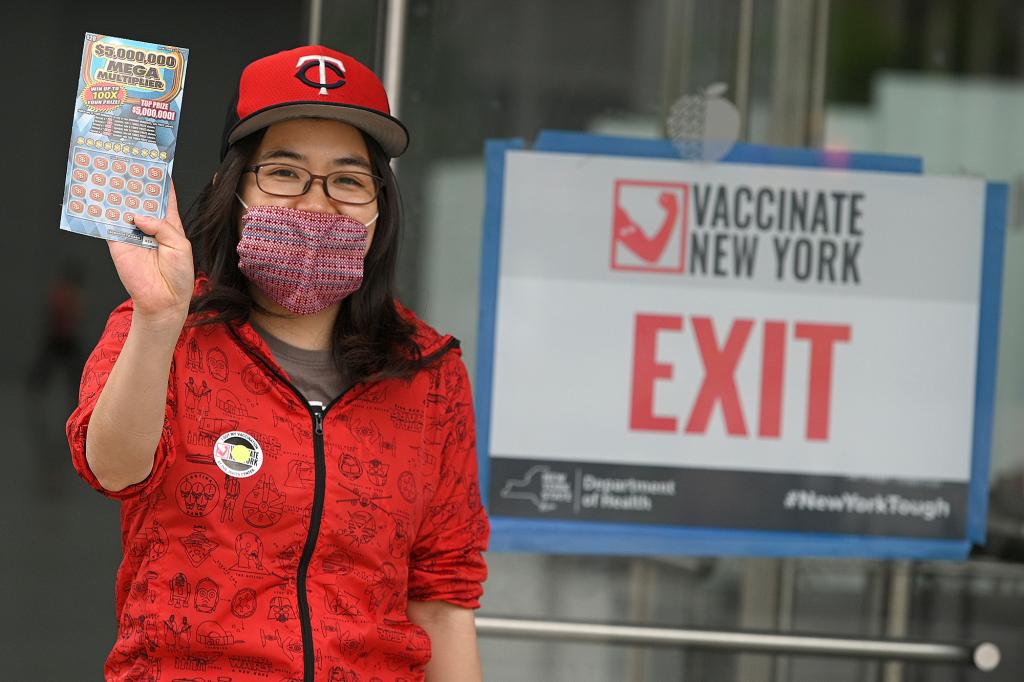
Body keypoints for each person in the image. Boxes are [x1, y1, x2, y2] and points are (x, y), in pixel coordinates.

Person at [67, 45, 489, 682]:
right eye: (285, 173)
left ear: (381, 208)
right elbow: (114, 468)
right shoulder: (164, 329)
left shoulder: (430, 373)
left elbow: (442, 601)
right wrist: (159, 317)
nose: (317, 204)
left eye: (348, 179)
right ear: (234, 190)